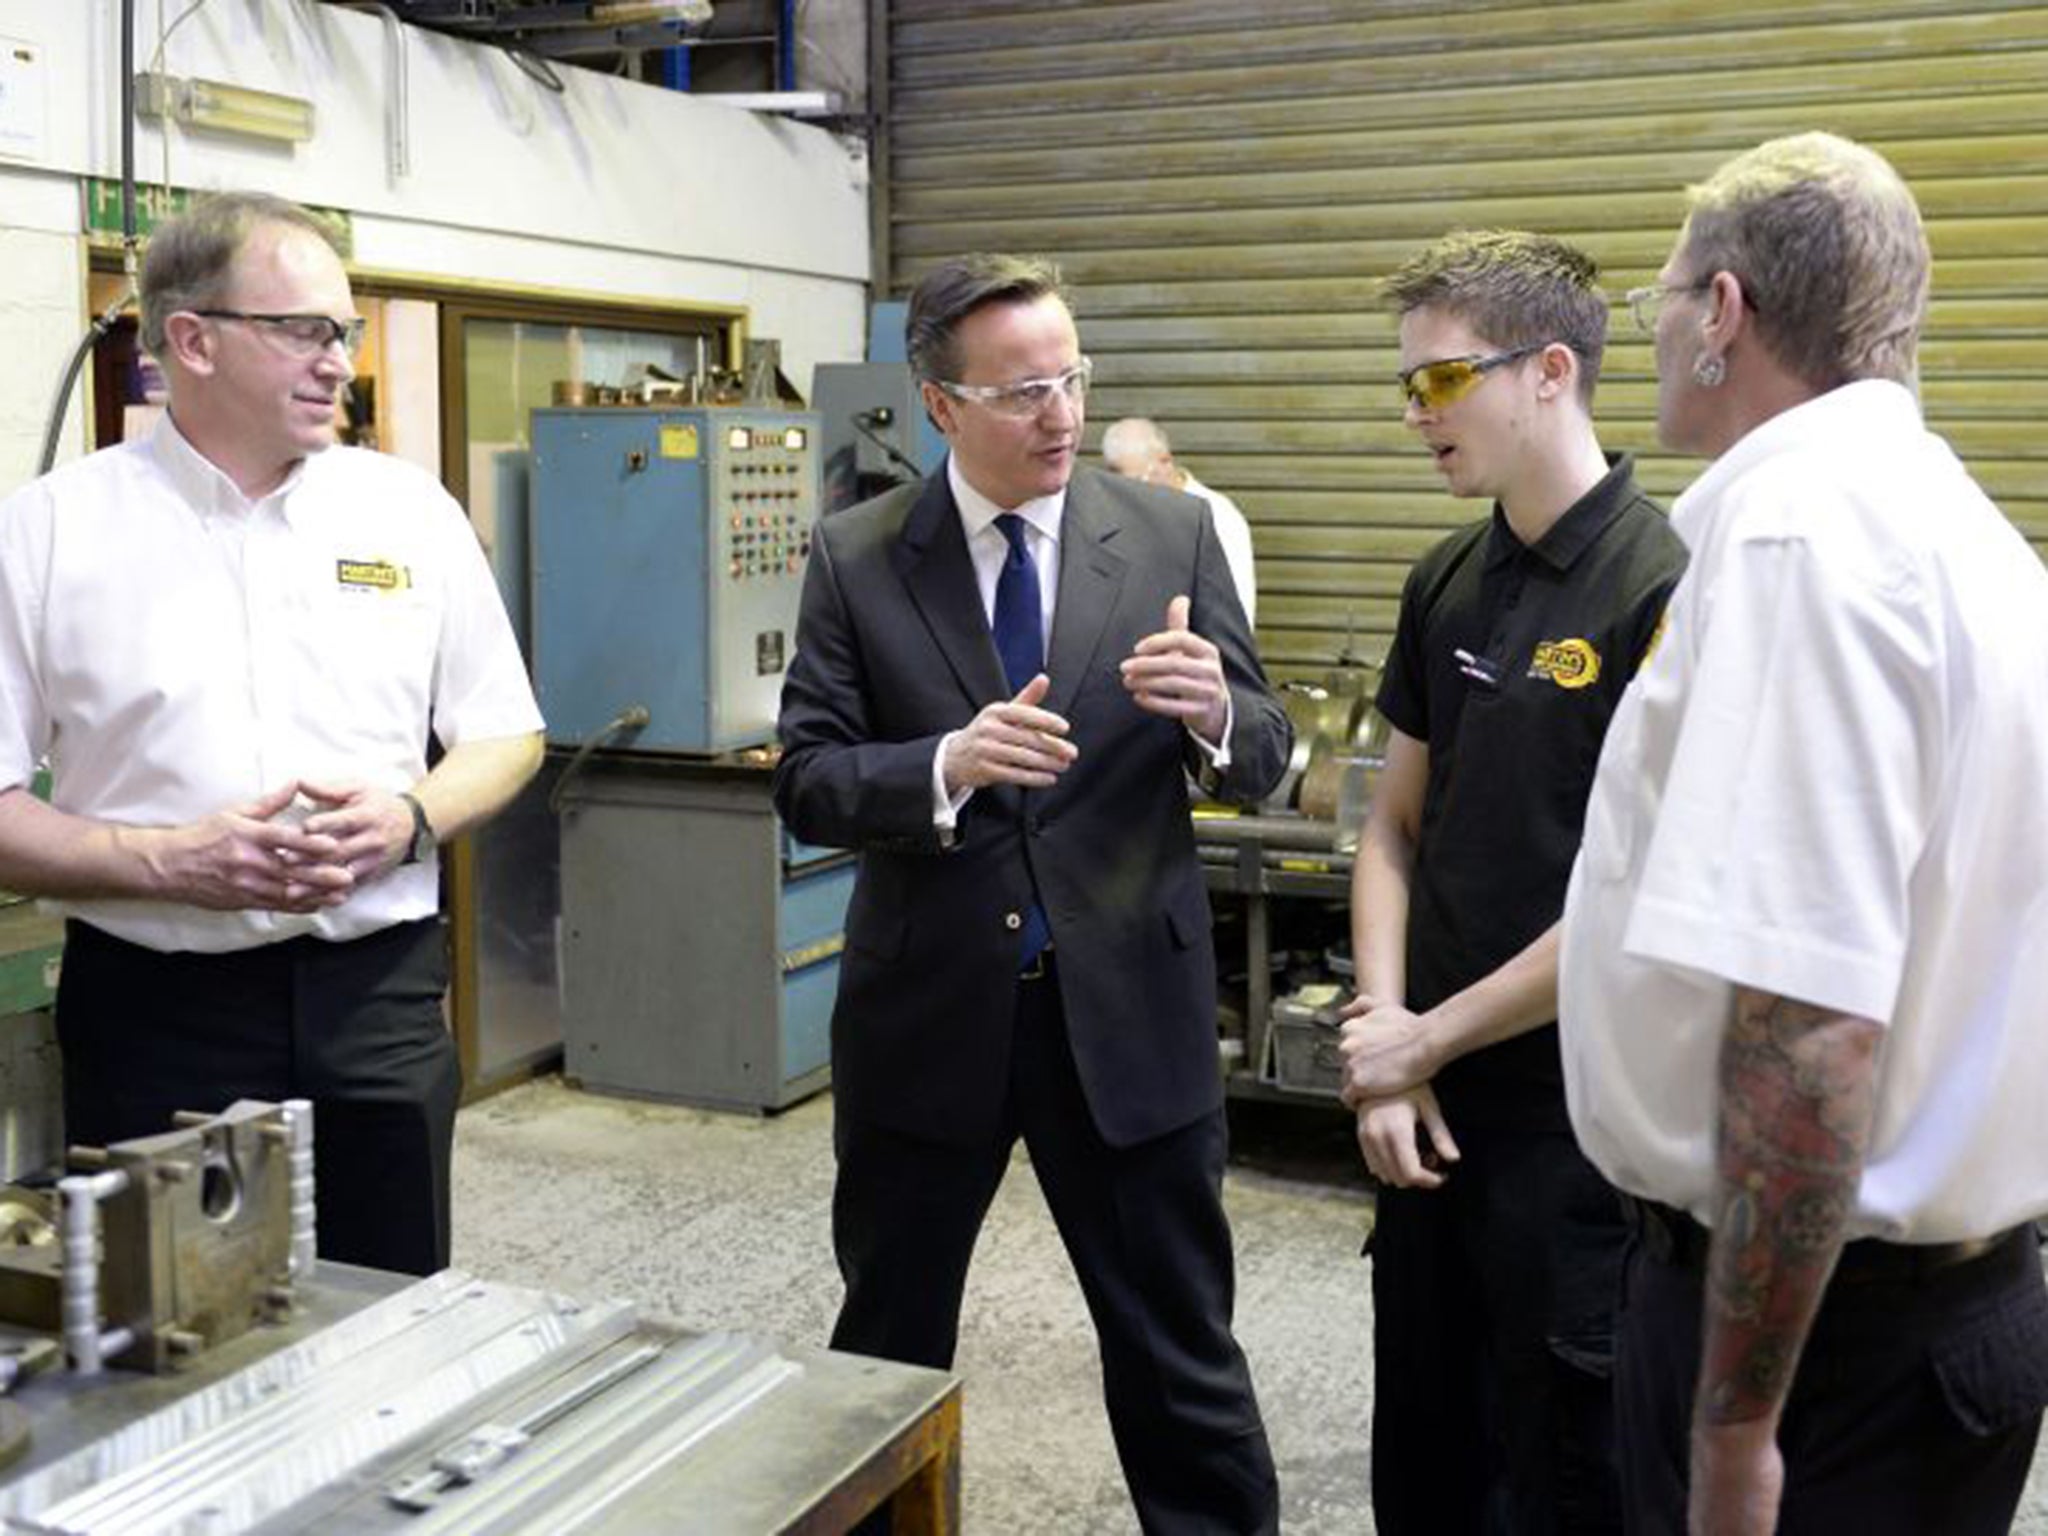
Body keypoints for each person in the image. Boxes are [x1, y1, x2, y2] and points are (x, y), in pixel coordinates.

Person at [1559, 132, 2048, 1536]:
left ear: (1724, 314)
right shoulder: (1966, 538)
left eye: (1662, 295)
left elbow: (1810, 1030)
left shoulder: (1798, 544)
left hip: (1823, 1356)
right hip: (1940, 1311)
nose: (1647, 333)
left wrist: (1734, 1433)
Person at [774, 253, 1288, 1533]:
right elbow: (807, 776)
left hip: (1126, 1016)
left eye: (1069, 378)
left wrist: (1218, 713)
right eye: (1019, 393)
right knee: (883, 1354)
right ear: (940, 406)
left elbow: (1267, 745)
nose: (1058, 414)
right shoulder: (858, 554)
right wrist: (941, 766)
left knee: (1179, 1356)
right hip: (929, 1018)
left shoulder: (1167, 532)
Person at [0, 191, 543, 1277]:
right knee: (167, 1332)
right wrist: (170, 861)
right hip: (158, 1011)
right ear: (192, 339)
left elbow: (504, 733)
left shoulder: (406, 512)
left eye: (341, 331)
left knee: (389, 1310)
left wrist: (407, 819)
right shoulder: (51, 530)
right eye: (303, 330)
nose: (336, 360)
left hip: (376, 1001)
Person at [1334, 230, 1688, 1533]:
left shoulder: (1661, 587)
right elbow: (1391, 828)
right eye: (1407, 384)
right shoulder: (1446, 580)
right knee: (1425, 1462)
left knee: (1562, 1473)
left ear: (1550, 372)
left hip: (1574, 1136)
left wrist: (1425, 1035)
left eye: (1441, 380)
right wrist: (1389, 1045)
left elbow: (1636, 902)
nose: (1415, 412)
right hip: (1424, 1122)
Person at [1101, 416, 1259, 624]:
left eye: (1138, 483)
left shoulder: (1219, 517)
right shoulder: (1122, 511)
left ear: (1165, 461)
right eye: (1120, 485)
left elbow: (1237, 615)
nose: (1130, 494)